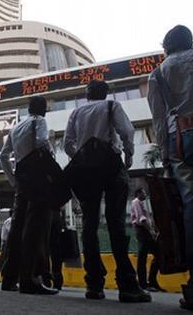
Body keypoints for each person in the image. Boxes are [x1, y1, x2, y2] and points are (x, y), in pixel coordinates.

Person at [148, 25, 193, 312]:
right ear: (191, 41)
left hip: (184, 141)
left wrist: (165, 155)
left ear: (166, 47)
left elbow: (158, 118)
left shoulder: (159, 72)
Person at [64, 80, 151, 302]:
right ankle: (127, 285)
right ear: (105, 93)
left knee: (90, 225)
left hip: (85, 173)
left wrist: (81, 156)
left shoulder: (75, 113)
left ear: (87, 94)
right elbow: (127, 131)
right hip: (111, 168)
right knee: (116, 224)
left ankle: (94, 284)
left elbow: (67, 143)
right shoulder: (112, 106)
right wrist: (129, 154)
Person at [0, 96, 58, 295]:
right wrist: (52, 157)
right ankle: (29, 279)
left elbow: (3, 156)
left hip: (21, 176)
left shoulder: (15, 128)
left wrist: (13, 180)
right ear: (42, 110)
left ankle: (8, 278)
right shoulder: (39, 121)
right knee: (35, 226)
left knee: (17, 227)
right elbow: (42, 141)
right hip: (37, 175)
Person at [130, 188, 165, 292]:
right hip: (142, 230)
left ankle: (151, 281)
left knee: (156, 255)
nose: (145, 194)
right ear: (138, 193)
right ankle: (144, 284)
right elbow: (142, 219)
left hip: (146, 230)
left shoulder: (143, 203)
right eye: (143, 192)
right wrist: (151, 231)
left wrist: (154, 229)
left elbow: (149, 219)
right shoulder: (136, 202)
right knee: (143, 257)